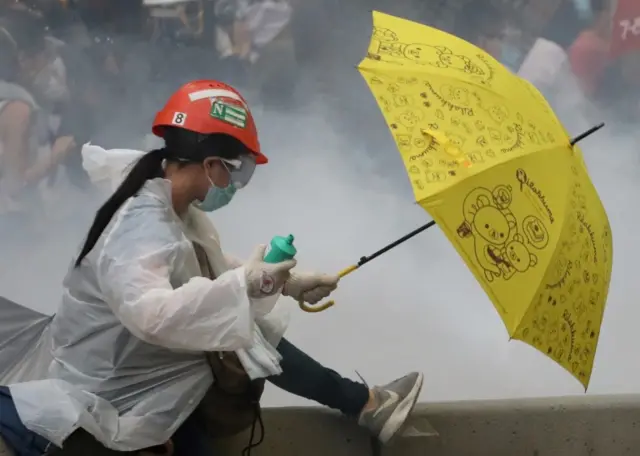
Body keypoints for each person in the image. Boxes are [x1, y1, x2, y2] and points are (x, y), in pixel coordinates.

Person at [3, 80, 424, 456]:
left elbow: (200, 268)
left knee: (243, 328)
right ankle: (365, 403)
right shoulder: (138, 225)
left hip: (144, 382)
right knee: (243, 334)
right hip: (105, 395)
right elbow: (152, 314)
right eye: (237, 172)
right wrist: (245, 284)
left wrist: (288, 282)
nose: (236, 187)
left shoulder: (172, 206)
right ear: (211, 164)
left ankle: (364, 403)